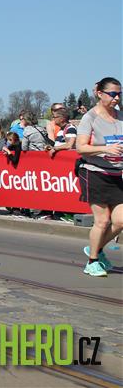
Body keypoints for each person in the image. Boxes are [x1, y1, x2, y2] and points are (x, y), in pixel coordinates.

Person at [75, 77, 122, 277]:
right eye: (112, 94)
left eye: (119, 94)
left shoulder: (121, 116)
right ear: (100, 94)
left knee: (120, 221)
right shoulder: (90, 118)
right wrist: (105, 149)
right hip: (94, 172)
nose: (116, 98)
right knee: (102, 221)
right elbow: (80, 147)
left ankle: (96, 248)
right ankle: (92, 261)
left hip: (116, 174)